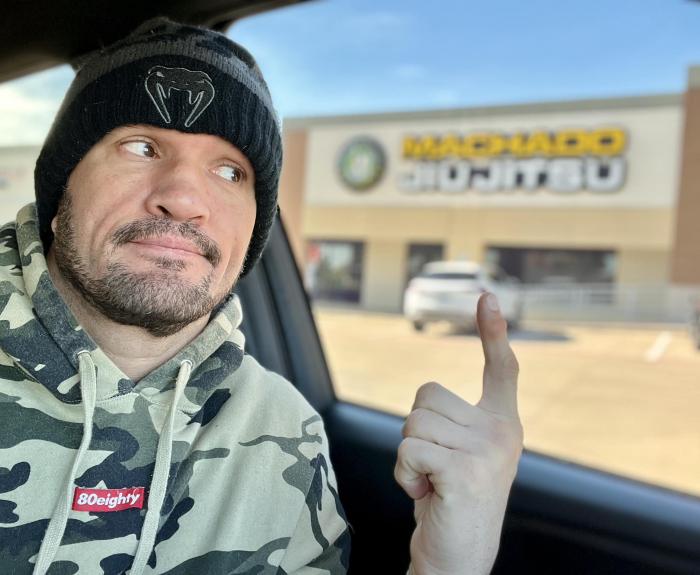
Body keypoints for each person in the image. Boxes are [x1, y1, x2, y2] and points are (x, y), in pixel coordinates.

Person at [0, 17, 523, 575]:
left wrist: (447, 566)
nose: (183, 199)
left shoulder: (286, 429)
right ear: (61, 187)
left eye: (230, 172)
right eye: (143, 147)